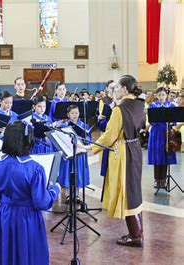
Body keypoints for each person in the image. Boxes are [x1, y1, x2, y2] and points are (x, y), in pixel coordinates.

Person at [80, 75, 145, 247]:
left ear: (124, 89)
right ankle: (137, 232)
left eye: (116, 88)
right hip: (136, 149)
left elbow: (109, 136)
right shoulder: (140, 104)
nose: (114, 90)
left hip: (123, 152)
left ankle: (136, 236)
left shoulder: (120, 109)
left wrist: (89, 147)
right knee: (134, 190)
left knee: (127, 192)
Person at [0, 121, 61, 265]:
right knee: (28, 252)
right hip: (27, 216)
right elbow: (41, 202)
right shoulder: (34, 168)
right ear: (28, 141)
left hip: (5, 214)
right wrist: (54, 190)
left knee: (6, 251)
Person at [147, 87, 177, 188]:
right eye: (159, 95)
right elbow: (151, 121)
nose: (161, 97)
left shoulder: (171, 105)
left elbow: (174, 121)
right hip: (156, 133)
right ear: (156, 95)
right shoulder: (152, 106)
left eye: (163, 95)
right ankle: (156, 179)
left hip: (167, 133)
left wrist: (173, 122)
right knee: (157, 156)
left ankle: (163, 179)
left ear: (166, 95)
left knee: (165, 155)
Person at [57, 105, 90, 190]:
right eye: (72, 113)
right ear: (68, 115)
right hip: (68, 153)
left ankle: (77, 195)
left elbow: (89, 139)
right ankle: (69, 195)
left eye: (76, 113)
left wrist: (86, 140)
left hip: (80, 153)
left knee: (78, 175)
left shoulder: (84, 125)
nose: (74, 115)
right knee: (68, 174)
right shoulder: (64, 125)